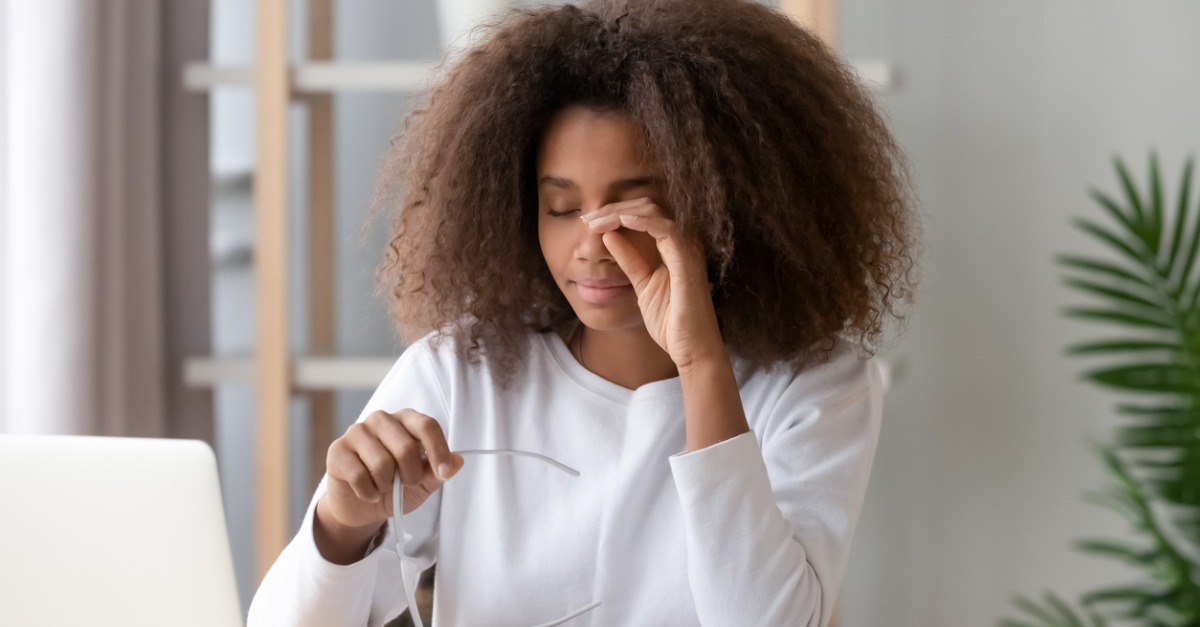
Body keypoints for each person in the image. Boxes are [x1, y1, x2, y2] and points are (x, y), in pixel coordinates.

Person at [248, 0, 917, 625]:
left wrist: (700, 361)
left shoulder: (813, 385)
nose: (591, 245)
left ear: (724, 210)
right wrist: (343, 519)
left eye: (634, 209)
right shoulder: (462, 372)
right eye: (561, 208)